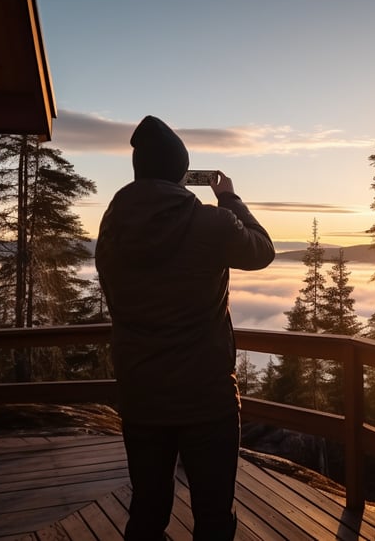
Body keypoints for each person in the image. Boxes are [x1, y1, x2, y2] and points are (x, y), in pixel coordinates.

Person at [95, 115, 275, 540]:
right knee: (213, 517)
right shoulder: (210, 223)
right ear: (181, 172)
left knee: (147, 512)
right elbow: (262, 250)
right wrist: (229, 199)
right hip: (206, 399)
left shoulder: (113, 224)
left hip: (141, 395)